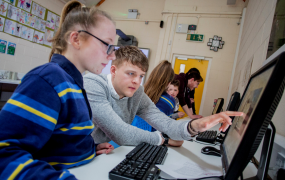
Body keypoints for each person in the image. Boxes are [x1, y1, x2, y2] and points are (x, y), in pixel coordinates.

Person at [0, 1, 115, 179]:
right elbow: (5, 153)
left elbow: (59, 142)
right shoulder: (48, 80)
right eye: (107, 45)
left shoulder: (73, 83)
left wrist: (88, 148)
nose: (112, 55)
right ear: (76, 39)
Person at [84, 46, 243, 147]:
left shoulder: (137, 92)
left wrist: (196, 125)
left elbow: (166, 124)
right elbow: (121, 133)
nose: (136, 81)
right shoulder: (93, 84)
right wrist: (163, 140)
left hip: (96, 153)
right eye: (131, 74)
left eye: (141, 76)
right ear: (113, 71)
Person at [144, 60, 176, 131]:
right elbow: (165, 129)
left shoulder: (138, 93)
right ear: (168, 83)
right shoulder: (169, 101)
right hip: (152, 140)